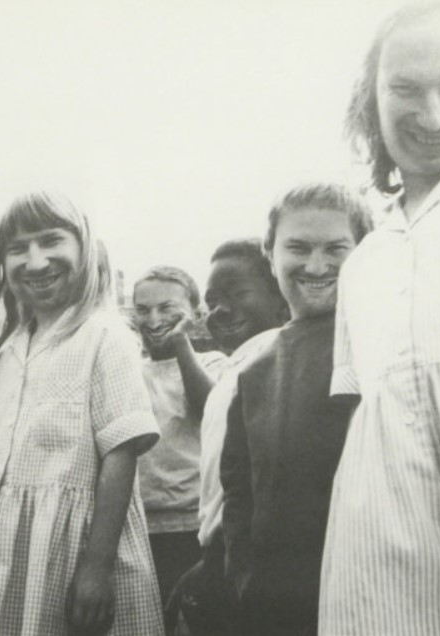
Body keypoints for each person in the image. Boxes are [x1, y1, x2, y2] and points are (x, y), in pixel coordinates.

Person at [319, 4, 440, 636]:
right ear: (370, 102)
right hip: (388, 552)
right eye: (404, 89)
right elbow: (363, 415)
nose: (432, 115)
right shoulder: (364, 261)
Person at [0, 192, 165, 636]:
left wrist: (96, 567)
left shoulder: (103, 336)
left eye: (51, 241)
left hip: (72, 550)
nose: (35, 262)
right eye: (18, 248)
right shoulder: (5, 348)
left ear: (84, 248)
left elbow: (121, 453)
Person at [221, 185, 371, 636]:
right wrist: (244, 578)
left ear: (366, 253)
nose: (317, 266)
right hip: (279, 607)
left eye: (336, 249)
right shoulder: (255, 370)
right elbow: (238, 489)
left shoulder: (384, 346)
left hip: (370, 595)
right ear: (270, 255)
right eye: (299, 248)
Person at [173, 238, 288, 636]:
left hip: (245, 554)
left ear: (281, 299)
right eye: (212, 301)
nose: (220, 309)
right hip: (223, 550)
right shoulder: (238, 366)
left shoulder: (273, 359)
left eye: (237, 294)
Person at [133, 266, 225, 631]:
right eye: (143, 309)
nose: (154, 319)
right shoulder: (129, 370)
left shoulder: (214, 363)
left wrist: (181, 344)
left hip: (194, 529)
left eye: (167, 308)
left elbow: (211, 409)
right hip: (141, 528)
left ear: (195, 312)